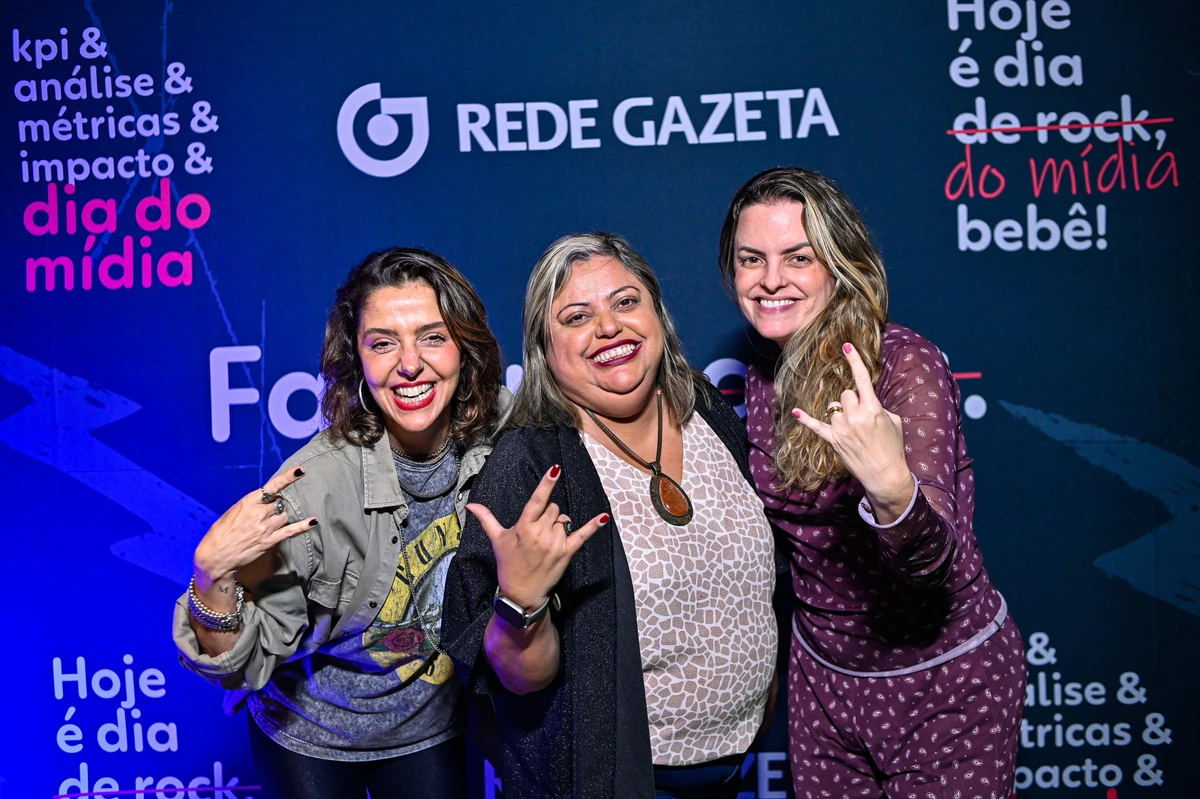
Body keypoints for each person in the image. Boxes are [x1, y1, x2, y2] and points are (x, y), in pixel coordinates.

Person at [718, 167, 1025, 799]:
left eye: (798, 258)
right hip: (824, 683)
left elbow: (932, 560)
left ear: (839, 264)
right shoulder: (759, 369)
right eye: (753, 259)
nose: (771, 280)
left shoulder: (900, 364)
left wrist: (892, 490)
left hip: (941, 682)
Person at [442, 233, 778, 799]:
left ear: (657, 313)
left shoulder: (705, 409)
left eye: (625, 302)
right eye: (577, 316)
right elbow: (521, 679)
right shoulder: (532, 466)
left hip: (732, 769)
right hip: (615, 782)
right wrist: (519, 602)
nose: (609, 327)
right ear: (546, 349)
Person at [173, 247, 507, 799]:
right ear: (356, 362)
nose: (409, 364)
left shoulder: (500, 436)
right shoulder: (314, 488)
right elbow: (237, 663)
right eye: (382, 342)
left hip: (430, 725)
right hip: (310, 735)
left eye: (432, 336)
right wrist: (212, 579)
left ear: (464, 350)